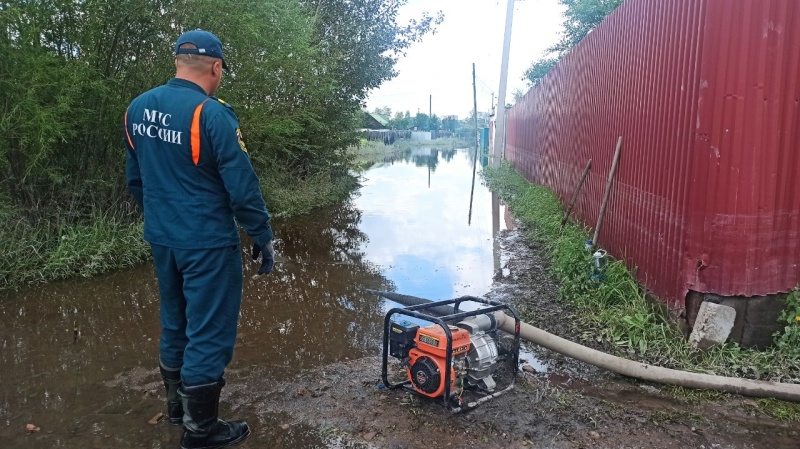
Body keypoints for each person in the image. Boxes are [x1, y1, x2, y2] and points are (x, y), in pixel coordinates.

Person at [124, 29, 274, 449]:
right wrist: (261, 235)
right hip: (207, 241)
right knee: (209, 331)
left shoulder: (137, 108)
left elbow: (135, 180)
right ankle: (202, 431)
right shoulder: (212, 114)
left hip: (163, 237)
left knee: (176, 323)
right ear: (216, 67)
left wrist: (163, 220)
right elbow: (242, 187)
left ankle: (178, 410)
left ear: (177, 62)